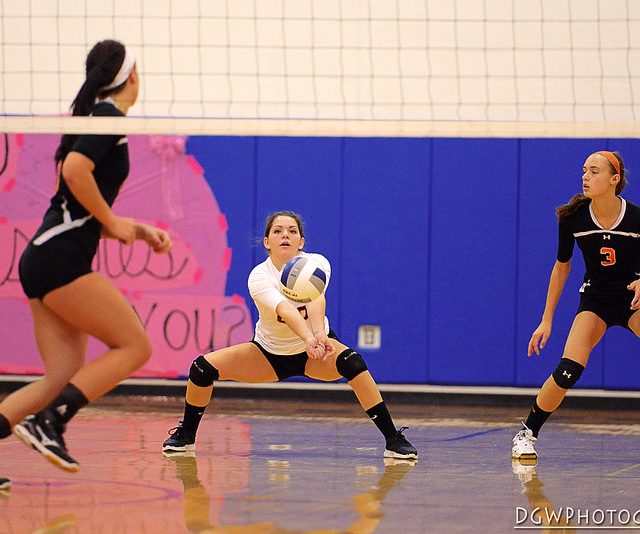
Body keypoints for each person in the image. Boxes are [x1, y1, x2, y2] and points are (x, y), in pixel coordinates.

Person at [0, 39, 172, 474]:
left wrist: (132, 227)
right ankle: (51, 423)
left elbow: (76, 207)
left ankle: (48, 413)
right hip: (59, 259)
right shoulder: (108, 117)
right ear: (133, 76)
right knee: (135, 345)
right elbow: (74, 172)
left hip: (46, 255)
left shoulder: (96, 117)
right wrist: (114, 224)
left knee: (60, 377)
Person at [162, 211, 417, 460]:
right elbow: (286, 310)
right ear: (267, 242)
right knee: (201, 369)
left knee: (354, 363)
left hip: (314, 353)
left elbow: (316, 300)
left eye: (292, 231)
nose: (285, 235)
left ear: (301, 241)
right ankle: (186, 435)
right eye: (278, 231)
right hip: (269, 355)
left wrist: (319, 335)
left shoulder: (317, 263)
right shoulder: (259, 276)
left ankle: (393, 440)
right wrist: (308, 338)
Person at [512, 150, 639, 460]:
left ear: (614, 179)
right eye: (584, 170)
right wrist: (546, 320)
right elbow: (561, 267)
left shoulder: (636, 218)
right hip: (596, 300)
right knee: (568, 370)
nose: (585, 176)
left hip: (633, 299)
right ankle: (526, 433)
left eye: (594, 171)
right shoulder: (573, 218)